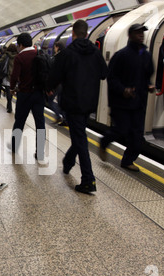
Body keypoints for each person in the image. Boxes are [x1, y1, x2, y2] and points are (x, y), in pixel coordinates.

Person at [47, 20, 108, 194]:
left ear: (73, 34)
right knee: (79, 133)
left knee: (80, 138)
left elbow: (54, 77)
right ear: (86, 33)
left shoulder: (67, 53)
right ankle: (68, 161)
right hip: (89, 103)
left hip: (72, 102)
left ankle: (88, 179)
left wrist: (49, 88)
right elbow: (104, 73)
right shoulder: (95, 52)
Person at [99, 23, 155, 172]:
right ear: (130, 35)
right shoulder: (121, 55)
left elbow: (147, 75)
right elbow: (111, 78)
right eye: (138, 33)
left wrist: (149, 85)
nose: (141, 35)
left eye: (142, 33)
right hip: (121, 103)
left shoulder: (147, 55)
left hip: (139, 102)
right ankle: (104, 142)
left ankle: (128, 160)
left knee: (137, 136)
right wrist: (123, 90)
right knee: (120, 131)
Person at [9, 32, 46, 162]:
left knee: (19, 121)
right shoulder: (39, 54)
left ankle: (14, 146)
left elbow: (14, 76)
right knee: (40, 123)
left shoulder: (20, 57)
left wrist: (12, 88)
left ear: (20, 44)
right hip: (38, 94)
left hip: (24, 94)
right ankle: (40, 151)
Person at [47, 41, 66, 125]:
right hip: (64, 84)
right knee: (61, 102)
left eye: (54, 47)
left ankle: (58, 116)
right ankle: (65, 119)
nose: (54, 49)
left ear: (57, 47)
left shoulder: (57, 58)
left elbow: (54, 73)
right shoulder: (66, 57)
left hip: (58, 84)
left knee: (50, 100)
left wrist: (50, 87)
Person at [0, 44, 17, 113]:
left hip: (7, 75)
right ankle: (10, 105)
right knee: (12, 90)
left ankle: (9, 106)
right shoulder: (18, 56)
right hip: (14, 76)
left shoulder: (6, 55)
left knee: (8, 90)